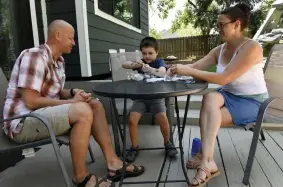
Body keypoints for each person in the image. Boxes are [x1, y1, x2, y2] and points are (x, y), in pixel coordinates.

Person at [3, 20, 145, 187]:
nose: (74, 42)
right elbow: (31, 101)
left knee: (95, 105)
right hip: (22, 122)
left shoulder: (58, 61)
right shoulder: (34, 56)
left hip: (43, 114)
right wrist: (72, 102)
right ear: (58, 35)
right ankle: (80, 177)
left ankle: (113, 163)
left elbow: (55, 92)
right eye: (71, 38)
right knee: (82, 111)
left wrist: (73, 92)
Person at [169, 3, 268, 187]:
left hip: (253, 102)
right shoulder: (220, 49)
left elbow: (224, 78)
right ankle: (207, 160)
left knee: (209, 116)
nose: (218, 29)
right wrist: (173, 69)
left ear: (237, 24)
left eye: (222, 24)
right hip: (229, 96)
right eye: (218, 25)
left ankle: (205, 160)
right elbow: (196, 67)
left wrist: (188, 71)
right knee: (209, 97)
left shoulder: (252, 48)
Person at [122, 37, 178, 162]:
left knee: (163, 118)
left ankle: (168, 143)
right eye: (144, 53)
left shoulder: (159, 62)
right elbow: (124, 64)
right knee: (132, 119)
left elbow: (163, 73)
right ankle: (134, 147)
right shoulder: (140, 62)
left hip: (156, 98)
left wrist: (150, 69)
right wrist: (134, 64)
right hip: (140, 99)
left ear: (156, 53)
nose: (147, 56)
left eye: (150, 53)